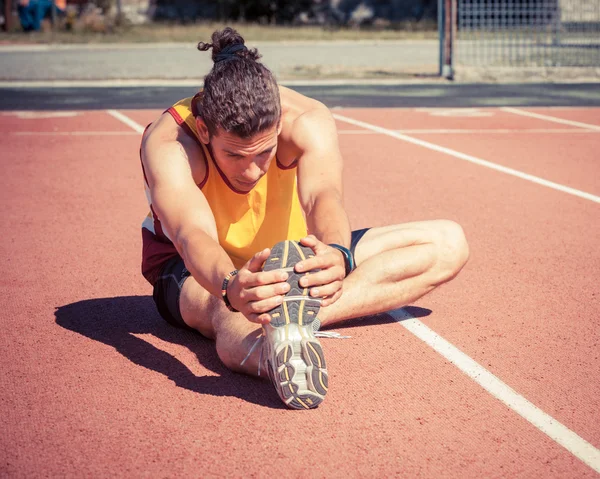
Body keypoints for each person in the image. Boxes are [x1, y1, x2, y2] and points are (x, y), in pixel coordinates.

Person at [140, 27, 469, 410]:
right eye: (234, 155)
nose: (251, 172)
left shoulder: (308, 120)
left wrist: (336, 254)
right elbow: (190, 233)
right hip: (197, 269)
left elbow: (322, 197)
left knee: (449, 242)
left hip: (285, 258)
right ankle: (266, 350)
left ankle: (294, 320)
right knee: (224, 312)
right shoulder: (169, 144)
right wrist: (232, 287)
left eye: (263, 153)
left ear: (278, 125)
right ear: (204, 130)